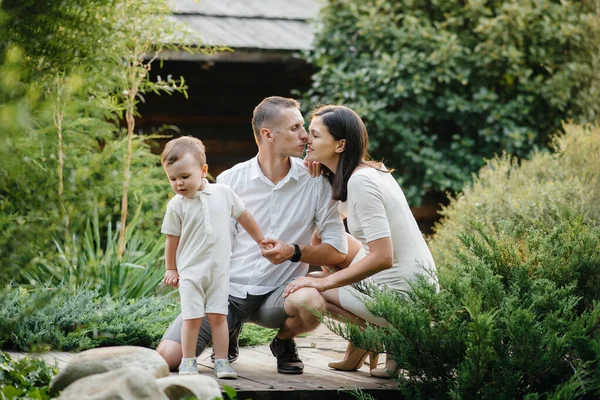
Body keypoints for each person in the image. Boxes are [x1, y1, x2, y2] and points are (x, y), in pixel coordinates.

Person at [157, 96, 349, 375]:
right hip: (226, 290)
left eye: (303, 127)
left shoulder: (317, 182)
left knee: (312, 302)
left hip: (279, 294)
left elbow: (338, 249)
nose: (305, 135)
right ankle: (229, 329)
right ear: (267, 134)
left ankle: (284, 342)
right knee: (169, 357)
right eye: (295, 127)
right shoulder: (229, 181)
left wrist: (292, 251)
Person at [270, 105, 438, 378]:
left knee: (312, 293)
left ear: (340, 145)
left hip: (403, 296)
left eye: (314, 135)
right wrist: (321, 179)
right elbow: (327, 237)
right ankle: (365, 344)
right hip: (416, 281)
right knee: (338, 247)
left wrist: (323, 282)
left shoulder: (361, 183)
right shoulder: (370, 171)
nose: (306, 140)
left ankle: (389, 340)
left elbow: (383, 257)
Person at [160, 136, 269, 378]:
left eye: (184, 176)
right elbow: (171, 240)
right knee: (191, 318)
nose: (178, 183)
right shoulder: (176, 206)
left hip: (219, 273)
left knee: (219, 318)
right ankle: (188, 361)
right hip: (191, 274)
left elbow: (244, 216)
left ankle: (222, 361)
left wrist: (260, 240)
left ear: (203, 170)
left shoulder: (223, 193)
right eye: (172, 178)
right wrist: (171, 269)